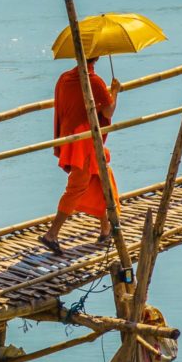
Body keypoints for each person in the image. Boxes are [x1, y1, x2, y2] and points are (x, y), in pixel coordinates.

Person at [39, 57, 122, 257]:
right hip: (85, 141)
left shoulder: (64, 79)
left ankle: (105, 229)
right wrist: (115, 92)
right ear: (97, 57)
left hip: (71, 137)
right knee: (77, 187)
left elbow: (64, 108)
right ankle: (51, 235)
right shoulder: (94, 82)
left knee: (101, 179)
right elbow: (108, 110)